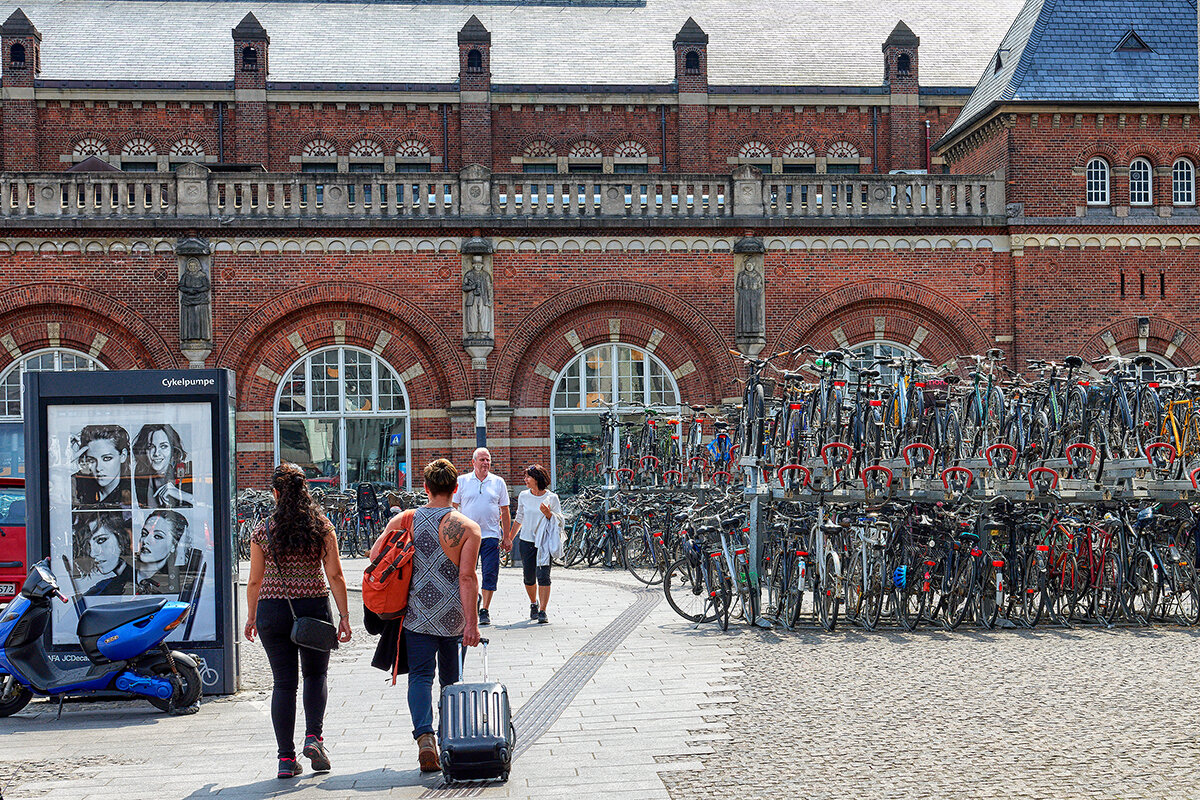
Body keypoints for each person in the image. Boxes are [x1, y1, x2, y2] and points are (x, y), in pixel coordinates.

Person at [244, 464, 352, 780]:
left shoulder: (263, 530)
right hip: (314, 608)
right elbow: (335, 575)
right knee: (316, 675)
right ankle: (314, 738)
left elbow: (254, 581)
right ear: (305, 491)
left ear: (276, 493)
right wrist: (344, 617)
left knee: (284, 683)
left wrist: (251, 617)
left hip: (273, 612)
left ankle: (285, 759)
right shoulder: (321, 526)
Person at [406, 458, 482, 773]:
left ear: (425, 488)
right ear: (455, 489)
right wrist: (472, 623)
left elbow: (374, 556)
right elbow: (467, 577)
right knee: (451, 680)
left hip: (417, 615)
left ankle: (425, 737)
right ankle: (449, 739)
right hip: (453, 618)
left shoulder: (407, 520)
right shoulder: (468, 528)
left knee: (421, 676)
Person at [451, 447, 510, 626]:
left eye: (488, 460)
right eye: (482, 460)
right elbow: (453, 508)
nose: (485, 463)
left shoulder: (498, 482)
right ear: (473, 462)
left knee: (490, 572)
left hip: (491, 534)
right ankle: (470, 601)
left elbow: (505, 510)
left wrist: (506, 536)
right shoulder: (462, 481)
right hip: (467, 536)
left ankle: (484, 609)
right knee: (466, 572)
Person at [501, 465, 562, 624]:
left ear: (537, 479)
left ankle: (543, 611)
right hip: (526, 541)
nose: (525, 480)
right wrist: (509, 538)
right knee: (528, 577)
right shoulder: (523, 496)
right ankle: (533, 603)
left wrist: (549, 514)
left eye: (528, 477)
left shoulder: (552, 498)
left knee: (543, 576)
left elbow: (559, 521)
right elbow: (519, 518)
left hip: (544, 543)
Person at [133, 424, 194, 508]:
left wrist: (182, 495)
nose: (156, 453)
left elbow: (206, 508)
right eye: (151, 447)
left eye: (163, 446)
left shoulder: (185, 477)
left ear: (173, 450)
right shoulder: (141, 479)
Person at [72, 425, 132, 509]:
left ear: (123, 456)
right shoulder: (81, 488)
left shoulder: (132, 494)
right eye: (92, 460)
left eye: (107, 458)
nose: (98, 468)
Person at [77, 512, 134, 597]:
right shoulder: (105, 585)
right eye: (89, 545)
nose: (92, 553)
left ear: (120, 538)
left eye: (101, 540)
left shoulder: (134, 581)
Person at [135, 510, 188, 594]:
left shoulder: (180, 584)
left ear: (173, 545)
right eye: (144, 534)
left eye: (157, 536)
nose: (146, 540)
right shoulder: (121, 578)